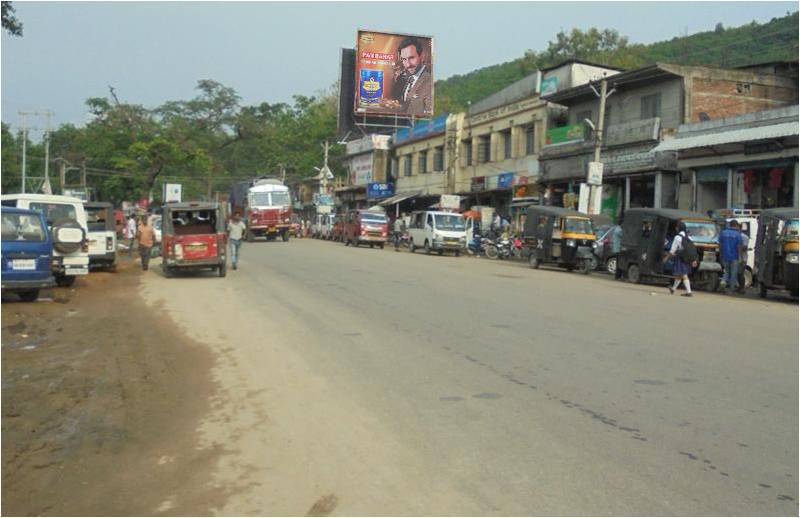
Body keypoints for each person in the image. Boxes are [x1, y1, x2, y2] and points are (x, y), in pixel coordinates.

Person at [392, 37, 433, 116]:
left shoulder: (430, 81)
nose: (408, 65)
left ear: (422, 56)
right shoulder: (407, 79)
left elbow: (429, 113)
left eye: (411, 58)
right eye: (404, 59)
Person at [665, 222, 697, 297]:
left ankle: (689, 292)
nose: (676, 228)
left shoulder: (677, 237)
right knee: (680, 274)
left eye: (677, 227)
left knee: (684, 274)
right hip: (689, 258)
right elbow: (692, 249)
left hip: (681, 258)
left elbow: (672, 250)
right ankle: (673, 289)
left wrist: (666, 258)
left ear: (678, 228)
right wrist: (694, 259)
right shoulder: (689, 237)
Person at [719, 220, 744, 294]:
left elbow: (720, 244)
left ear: (730, 225)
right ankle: (731, 290)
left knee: (726, 271)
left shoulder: (723, 233)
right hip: (734, 257)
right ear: (736, 225)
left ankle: (723, 282)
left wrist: (721, 254)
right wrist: (741, 257)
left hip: (725, 256)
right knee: (733, 273)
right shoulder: (738, 234)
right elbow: (739, 247)